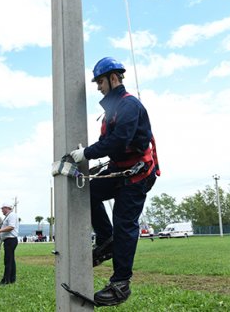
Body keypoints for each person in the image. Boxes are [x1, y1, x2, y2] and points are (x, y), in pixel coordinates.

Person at [70, 57, 160, 306]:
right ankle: (106, 238)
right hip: (120, 170)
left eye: (100, 81)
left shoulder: (129, 105)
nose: (98, 87)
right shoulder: (113, 108)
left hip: (137, 175)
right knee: (86, 191)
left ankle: (121, 284)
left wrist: (87, 153)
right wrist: (89, 151)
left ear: (113, 78)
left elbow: (120, 141)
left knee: (125, 223)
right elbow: (112, 144)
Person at [0, 203, 19, 285]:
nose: (1, 210)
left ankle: (6, 280)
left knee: (8, 260)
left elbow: (11, 227)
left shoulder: (12, 215)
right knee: (11, 260)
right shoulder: (9, 216)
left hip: (10, 240)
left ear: (7, 208)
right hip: (9, 240)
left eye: (2, 208)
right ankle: (12, 279)